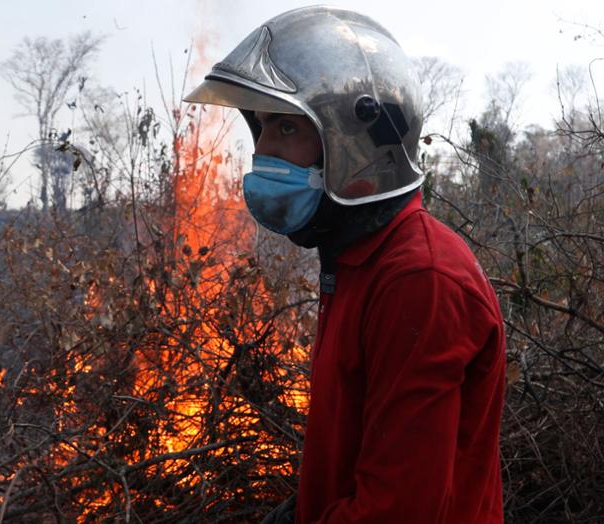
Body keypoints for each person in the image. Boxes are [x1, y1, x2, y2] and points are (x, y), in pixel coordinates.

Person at [183, 6, 506, 523]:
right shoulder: (358, 258)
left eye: (285, 127)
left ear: (353, 145)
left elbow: (397, 511)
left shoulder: (419, 281)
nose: (263, 149)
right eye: (261, 127)